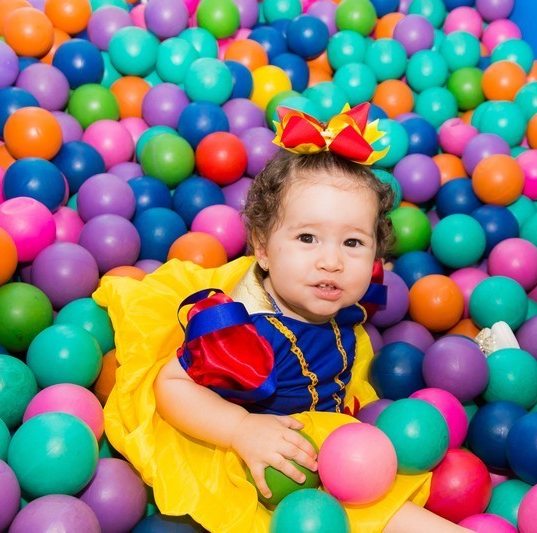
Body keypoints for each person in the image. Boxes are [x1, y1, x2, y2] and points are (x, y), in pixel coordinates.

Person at [94, 104, 474, 532]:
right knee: (371, 510)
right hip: (270, 454)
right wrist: (241, 429)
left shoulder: (333, 292)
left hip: (333, 424)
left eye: (352, 242)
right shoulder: (243, 334)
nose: (331, 261)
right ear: (262, 248)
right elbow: (172, 384)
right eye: (307, 237)